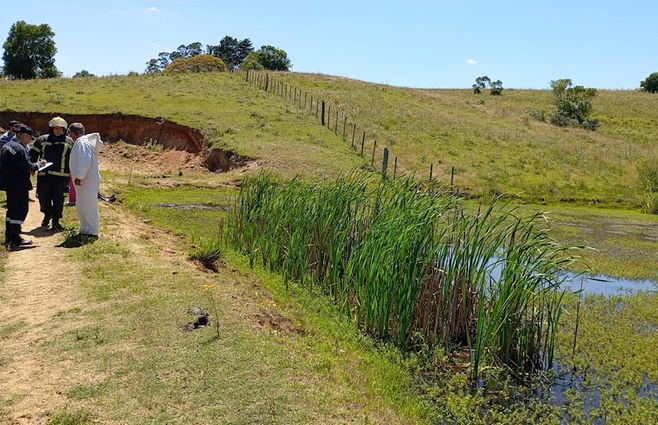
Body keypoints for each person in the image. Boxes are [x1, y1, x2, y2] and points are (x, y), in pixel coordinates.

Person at [0, 125, 45, 250]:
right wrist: (39, 165)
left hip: (10, 183)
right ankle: (15, 239)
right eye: (30, 138)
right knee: (20, 210)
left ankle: (10, 236)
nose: (29, 141)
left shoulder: (8, 145)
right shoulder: (19, 148)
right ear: (25, 136)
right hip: (18, 184)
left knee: (12, 210)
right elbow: (27, 166)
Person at [29, 116, 73, 231]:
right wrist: (32, 167)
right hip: (45, 176)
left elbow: (74, 159)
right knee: (43, 198)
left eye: (60, 129)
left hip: (62, 177)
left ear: (64, 129)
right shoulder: (42, 140)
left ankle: (56, 221)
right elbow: (33, 154)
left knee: (59, 200)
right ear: (51, 129)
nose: (58, 131)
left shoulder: (69, 142)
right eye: (56, 128)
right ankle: (47, 214)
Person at [68, 123, 103, 238]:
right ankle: (85, 229)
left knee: (89, 205)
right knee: (83, 204)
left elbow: (84, 161)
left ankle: (91, 231)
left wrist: (79, 176)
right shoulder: (82, 142)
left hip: (86, 181)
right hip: (86, 181)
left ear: (73, 133)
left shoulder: (82, 143)